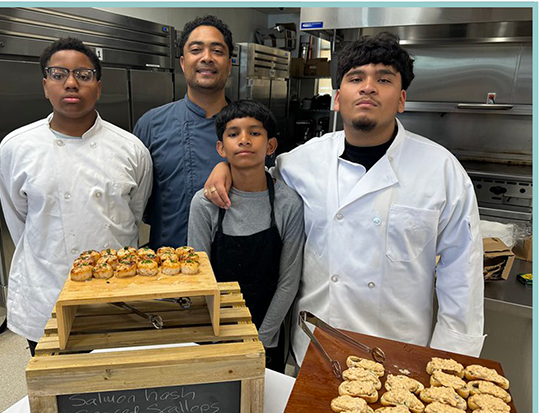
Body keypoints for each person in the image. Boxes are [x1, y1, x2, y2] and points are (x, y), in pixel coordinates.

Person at [202, 33, 484, 362]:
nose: (368, 87)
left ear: (402, 99)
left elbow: (461, 273)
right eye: (356, 78)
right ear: (337, 98)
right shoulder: (300, 163)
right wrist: (224, 167)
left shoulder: (441, 171)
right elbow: (253, 180)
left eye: (383, 79)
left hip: (399, 353)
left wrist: (452, 361)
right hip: (314, 347)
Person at [0, 37, 152, 354]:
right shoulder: (16, 148)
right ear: (44, 85)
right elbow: (20, 221)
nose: (71, 83)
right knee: (57, 388)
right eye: (58, 74)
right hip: (47, 290)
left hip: (116, 292)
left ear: (98, 85)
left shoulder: (131, 149)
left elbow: (134, 216)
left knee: (116, 386)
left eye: (83, 75)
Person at [188, 100, 304, 371]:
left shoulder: (288, 203)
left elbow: (288, 281)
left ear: (271, 146)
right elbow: (199, 280)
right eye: (233, 133)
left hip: (268, 336)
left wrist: (260, 340)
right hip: (216, 334)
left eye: (254, 132)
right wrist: (216, 337)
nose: (244, 140)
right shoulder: (205, 204)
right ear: (221, 148)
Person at [133, 15, 234, 249]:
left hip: (236, 268)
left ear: (229, 65)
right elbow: (137, 203)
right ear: (182, 62)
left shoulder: (251, 128)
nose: (206, 58)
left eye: (217, 51)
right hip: (168, 263)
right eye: (196, 49)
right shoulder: (151, 125)